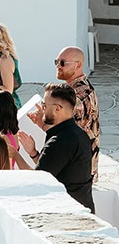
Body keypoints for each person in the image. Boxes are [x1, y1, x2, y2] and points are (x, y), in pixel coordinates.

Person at [17, 83, 94, 212]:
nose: (42, 109)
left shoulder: (60, 141)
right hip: (81, 208)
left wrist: (15, 155)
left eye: (44, 105)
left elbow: (38, 181)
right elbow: (55, 167)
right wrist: (33, 153)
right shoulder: (78, 133)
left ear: (57, 108)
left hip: (70, 215)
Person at [29, 47, 100, 182]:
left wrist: (43, 124)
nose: (58, 66)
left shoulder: (77, 97)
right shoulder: (83, 88)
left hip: (77, 170)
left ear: (78, 65)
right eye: (56, 62)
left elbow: (69, 135)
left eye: (62, 63)